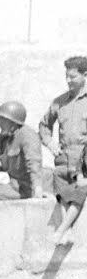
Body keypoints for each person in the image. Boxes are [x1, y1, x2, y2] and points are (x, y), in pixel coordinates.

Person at [39, 56, 87, 208]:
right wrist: (50, 143)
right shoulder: (59, 102)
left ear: (85, 75)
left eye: (73, 77)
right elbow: (44, 125)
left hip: (83, 166)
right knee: (61, 206)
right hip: (63, 166)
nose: (68, 80)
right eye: (66, 76)